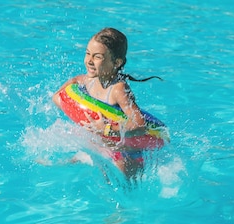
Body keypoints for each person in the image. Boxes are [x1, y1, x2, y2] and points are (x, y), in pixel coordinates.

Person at [52, 27, 161, 179]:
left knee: (119, 181)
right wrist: (68, 105)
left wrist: (107, 129)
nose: (89, 61)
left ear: (116, 62)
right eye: (87, 53)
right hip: (101, 143)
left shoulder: (118, 89)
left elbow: (139, 125)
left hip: (125, 151)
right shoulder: (87, 80)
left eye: (97, 57)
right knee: (77, 158)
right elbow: (65, 90)